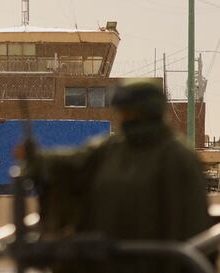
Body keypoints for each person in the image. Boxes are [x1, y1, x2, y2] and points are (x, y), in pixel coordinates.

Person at [22, 79, 213, 271]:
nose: (125, 117)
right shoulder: (111, 149)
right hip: (109, 261)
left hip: (157, 262)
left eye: (130, 112)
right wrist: (39, 161)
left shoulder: (178, 158)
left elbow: (193, 227)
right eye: (123, 111)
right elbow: (75, 164)